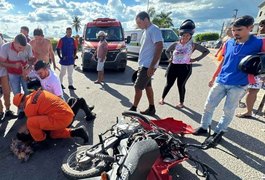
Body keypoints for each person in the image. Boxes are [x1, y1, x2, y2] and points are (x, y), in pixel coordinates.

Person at [193, 15, 264, 145]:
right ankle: (204, 127)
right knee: (209, 105)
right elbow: (224, 61)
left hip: (240, 84)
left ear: (249, 28)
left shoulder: (259, 43)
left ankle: (219, 133)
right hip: (221, 80)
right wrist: (214, 76)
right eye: (233, 30)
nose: (235, 33)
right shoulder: (229, 42)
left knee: (228, 110)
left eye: (239, 30)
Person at [159, 19, 209, 108]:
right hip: (173, 66)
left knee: (180, 85)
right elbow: (167, 51)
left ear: (191, 36)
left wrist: (196, 59)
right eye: (184, 35)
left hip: (185, 68)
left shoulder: (193, 45)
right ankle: (162, 98)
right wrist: (170, 58)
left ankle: (181, 102)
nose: (186, 37)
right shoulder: (175, 44)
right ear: (181, 35)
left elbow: (206, 51)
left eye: (188, 35)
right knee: (169, 83)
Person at [13, 90, 89, 145]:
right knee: (52, 132)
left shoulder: (29, 107)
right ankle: (78, 131)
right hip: (66, 110)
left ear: (20, 105)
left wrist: (37, 138)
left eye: (19, 107)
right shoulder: (36, 93)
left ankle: (41, 142)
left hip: (63, 119)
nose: (21, 108)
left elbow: (31, 124)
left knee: (32, 123)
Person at [28, 60, 96, 121]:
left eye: (40, 73)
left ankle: (89, 115)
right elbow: (28, 74)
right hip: (50, 102)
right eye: (37, 73)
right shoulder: (40, 73)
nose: (39, 75)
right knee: (72, 99)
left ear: (46, 69)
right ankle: (87, 108)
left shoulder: (54, 80)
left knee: (80, 100)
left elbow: (59, 99)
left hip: (58, 105)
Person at [129, 11, 163, 116]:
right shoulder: (146, 30)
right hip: (144, 64)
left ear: (146, 20)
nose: (138, 25)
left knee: (137, 87)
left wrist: (152, 66)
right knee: (148, 86)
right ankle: (152, 108)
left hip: (148, 65)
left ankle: (133, 109)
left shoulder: (154, 29)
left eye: (139, 22)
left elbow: (159, 46)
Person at [236, 19, 265, 118]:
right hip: (250, 68)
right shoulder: (253, 38)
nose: (262, 27)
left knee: (252, 91)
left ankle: (249, 111)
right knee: (248, 89)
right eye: (261, 25)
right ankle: (248, 110)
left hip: (260, 70)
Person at [0, 33, 34, 118]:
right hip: (12, 73)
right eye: (19, 48)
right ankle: (21, 111)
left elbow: (30, 60)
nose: (21, 50)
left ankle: (30, 110)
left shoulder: (28, 47)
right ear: (13, 42)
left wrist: (28, 68)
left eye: (23, 48)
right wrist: (13, 65)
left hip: (25, 72)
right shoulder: (5, 47)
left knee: (28, 91)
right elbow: (1, 63)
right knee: (16, 92)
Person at [0, 33, 18, 120]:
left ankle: (8, 110)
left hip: (4, 72)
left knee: (7, 92)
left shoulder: (5, 45)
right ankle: (0, 111)